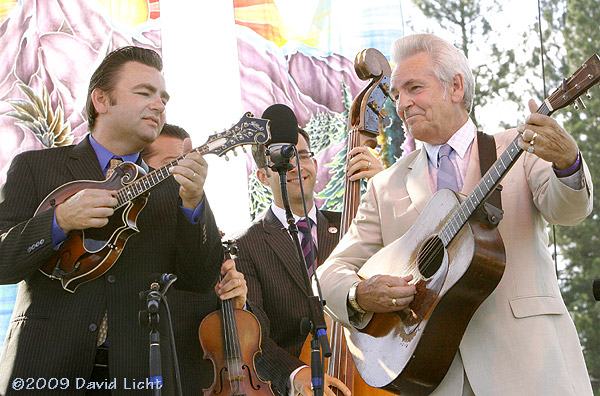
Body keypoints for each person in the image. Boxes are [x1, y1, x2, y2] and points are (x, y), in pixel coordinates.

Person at [316, 33, 594, 396]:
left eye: (414, 88)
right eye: (397, 94)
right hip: (432, 379)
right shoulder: (384, 186)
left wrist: (567, 160)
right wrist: (359, 295)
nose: (402, 104)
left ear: (456, 87)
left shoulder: (522, 146)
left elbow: (569, 210)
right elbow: (327, 276)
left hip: (530, 370)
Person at [0, 46, 224, 395]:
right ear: (101, 100)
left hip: (139, 373)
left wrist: (194, 202)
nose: (159, 105)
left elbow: (199, 280)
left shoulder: (173, 189)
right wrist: (59, 219)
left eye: (163, 97)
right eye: (144, 93)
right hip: (45, 367)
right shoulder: (35, 168)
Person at [232, 125, 383, 396]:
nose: (294, 166)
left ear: (314, 163)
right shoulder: (244, 245)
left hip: (370, 374)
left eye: (301, 156)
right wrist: (296, 374)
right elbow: (253, 334)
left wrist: (385, 186)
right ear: (263, 177)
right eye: (281, 161)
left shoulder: (356, 225)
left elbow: (407, 259)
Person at [140, 123, 249, 395]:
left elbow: (259, 334)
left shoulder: (209, 238)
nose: (184, 174)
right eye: (170, 166)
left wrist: (240, 306)